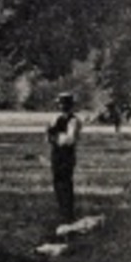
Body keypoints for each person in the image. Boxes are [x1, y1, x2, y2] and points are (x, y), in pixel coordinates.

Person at [47, 92, 82, 224]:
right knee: (57, 181)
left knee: (66, 182)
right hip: (56, 153)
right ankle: (63, 210)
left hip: (66, 154)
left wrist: (55, 136)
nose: (62, 106)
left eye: (64, 104)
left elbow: (69, 140)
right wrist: (55, 137)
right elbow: (49, 137)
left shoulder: (74, 120)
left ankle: (68, 212)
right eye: (60, 104)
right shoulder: (56, 119)